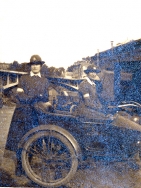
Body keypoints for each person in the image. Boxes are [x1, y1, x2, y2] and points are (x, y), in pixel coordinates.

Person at [5, 54, 52, 176]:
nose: (35, 67)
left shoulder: (45, 81)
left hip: (37, 114)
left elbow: (47, 98)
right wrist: (35, 98)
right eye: (33, 64)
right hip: (23, 113)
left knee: (34, 141)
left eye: (37, 64)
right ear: (30, 66)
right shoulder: (24, 79)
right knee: (21, 141)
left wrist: (47, 102)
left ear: (41, 66)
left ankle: (28, 166)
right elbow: (19, 96)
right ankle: (19, 168)